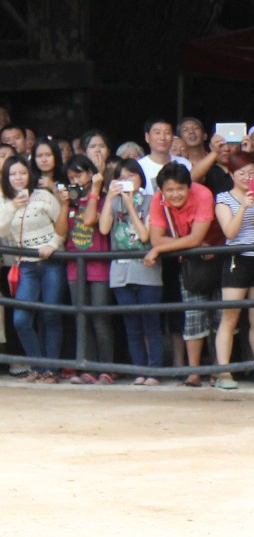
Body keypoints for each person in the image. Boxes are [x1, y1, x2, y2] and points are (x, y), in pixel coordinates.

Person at [144, 161, 222, 387]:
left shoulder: (203, 194)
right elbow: (156, 238)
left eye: (180, 188)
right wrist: (182, 245)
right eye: (169, 190)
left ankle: (220, 370)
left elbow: (194, 239)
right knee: (194, 315)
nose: (175, 194)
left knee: (220, 316)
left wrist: (162, 248)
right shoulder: (158, 201)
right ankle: (194, 373)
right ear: (161, 190)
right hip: (191, 263)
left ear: (190, 187)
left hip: (219, 256)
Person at [212, 149, 254, 391]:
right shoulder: (224, 198)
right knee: (230, 318)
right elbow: (229, 233)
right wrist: (243, 207)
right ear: (232, 174)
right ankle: (224, 372)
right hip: (237, 258)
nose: (246, 176)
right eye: (241, 172)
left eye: (252, 172)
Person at [0, 153, 65, 380]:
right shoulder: (4, 201)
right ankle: (38, 366)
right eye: (13, 174)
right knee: (21, 320)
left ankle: (51, 370)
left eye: (22, 172)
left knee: (51, 316)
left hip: (50, 262)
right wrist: (11, 207)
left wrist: (53, 244)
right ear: (5, 177)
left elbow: (61, 226)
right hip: (25, 266)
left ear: (30, 174)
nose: (18, 178)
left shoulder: (44, 196)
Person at [100, 158, 162, 382]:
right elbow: (104, 228)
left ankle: (154, 371)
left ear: (140, 177)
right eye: (122, 177)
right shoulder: (113, 201)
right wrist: (109, 198)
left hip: (147, 270)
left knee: (150, 323)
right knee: (132, 325)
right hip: (120, 270)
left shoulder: (150, 200)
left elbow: (145, 236)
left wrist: (129, 207)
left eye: (132, 176)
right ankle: (139, 370)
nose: (127, 181)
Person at [60, 155, 117, 384]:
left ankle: (106, 369)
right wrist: (64, 204)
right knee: (81, 319)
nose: (76, 181)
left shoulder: (103, 199)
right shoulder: (71, 202)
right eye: (71, 177)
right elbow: (61, 230)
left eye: (80, 175)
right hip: (75, 266)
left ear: (91, 173)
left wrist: (94, 188)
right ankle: (87, 368)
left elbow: (91, 220)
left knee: (100, 318)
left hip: (98, 265)